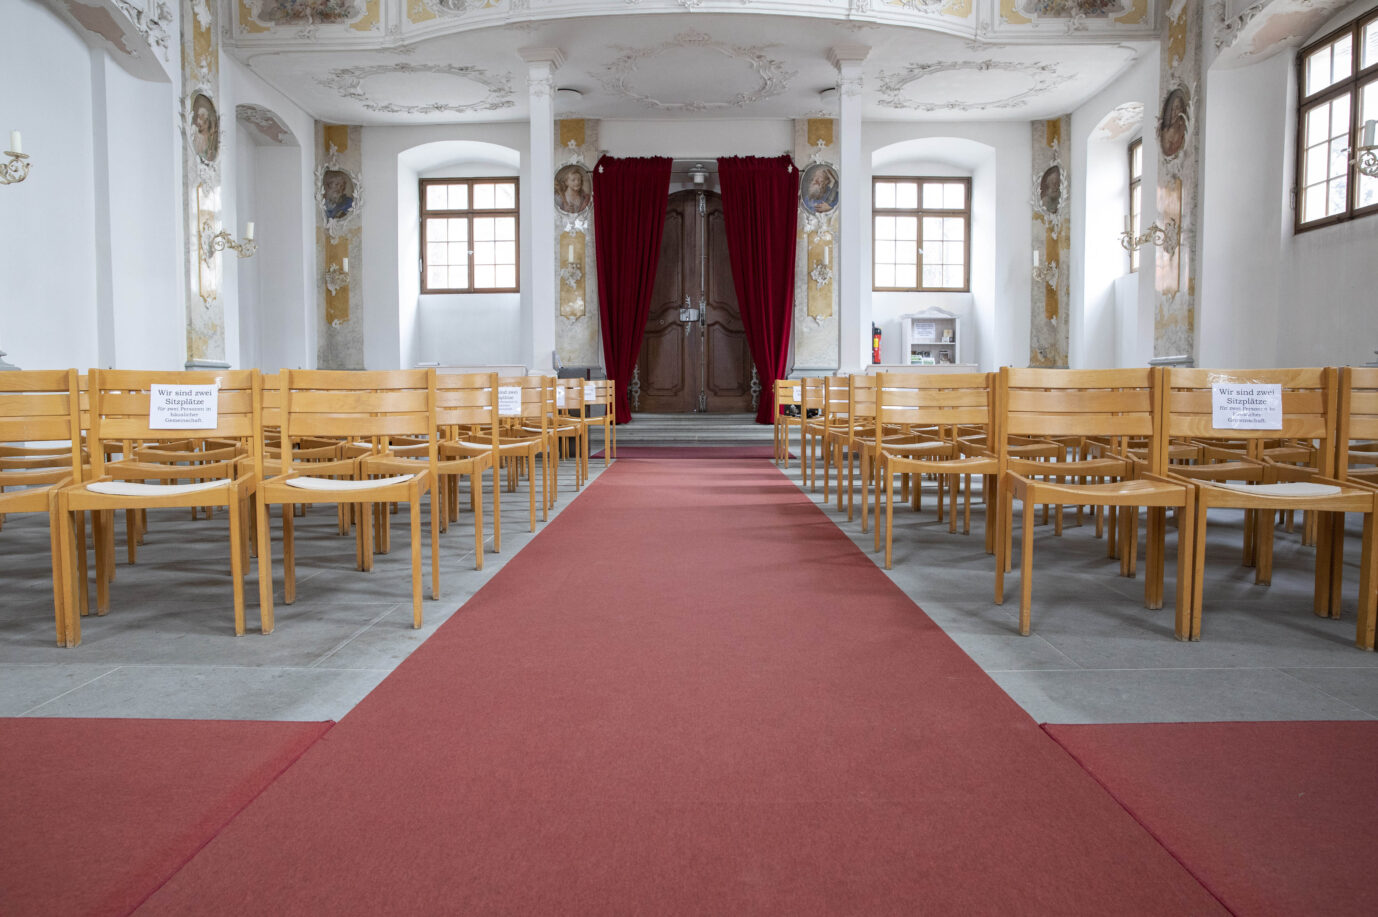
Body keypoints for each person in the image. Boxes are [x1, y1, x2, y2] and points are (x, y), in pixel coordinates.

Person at [191, 97, 218, 163]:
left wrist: (210, 156)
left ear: (207, 121)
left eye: (200, 118)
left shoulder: (211, 137)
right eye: (197, 117)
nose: (197, 121)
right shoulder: (194, 132)